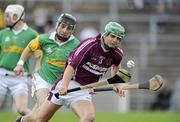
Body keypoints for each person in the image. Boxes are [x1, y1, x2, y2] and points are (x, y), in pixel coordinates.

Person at [16, 21, 126, 122]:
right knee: (39, 119)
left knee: (88, 117)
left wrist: (116, 83)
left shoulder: (117, 53)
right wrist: (64, 86)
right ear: (105, 35)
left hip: (82, 91)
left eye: (118, 38)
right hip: (68, 83)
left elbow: (116, 66)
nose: (115, 40)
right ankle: (22, 120)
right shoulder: (89, 46)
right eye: (112, 36)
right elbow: (70, 66)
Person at [14, 13, 80, 115]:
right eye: (62, 26)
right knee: (44, 106)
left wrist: (86, 84)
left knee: (38, 114)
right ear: (57, 25)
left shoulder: (76, 45)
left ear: (73, 30)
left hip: (59, 84)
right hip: (42, 79)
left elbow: (81, 66)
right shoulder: (44, 39)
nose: (64, 30)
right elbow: (29, 48)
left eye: (69, 28)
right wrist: (20, 64)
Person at [0, 4, 38, 115]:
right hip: (1, 75)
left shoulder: (32, 34)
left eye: (8, 16)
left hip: (20, 77)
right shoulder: (2, 33)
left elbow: (39, 55)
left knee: (22, 109)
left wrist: (36, 70)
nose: (5, 18)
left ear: (16, 16)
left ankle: (37, 119)